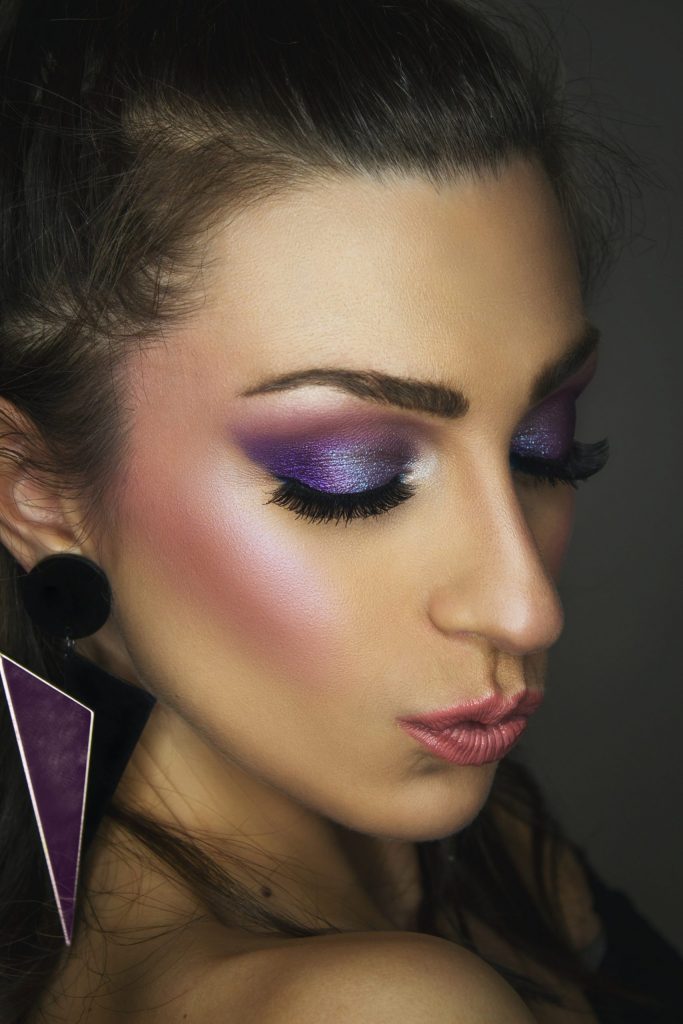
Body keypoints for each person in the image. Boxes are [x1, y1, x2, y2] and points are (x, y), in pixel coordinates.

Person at [0, 1, 680, 1022]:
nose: (526, 608)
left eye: (544, 445)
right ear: (37, 491)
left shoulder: (482, 850)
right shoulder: (378, 1004)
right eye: (353, 476)